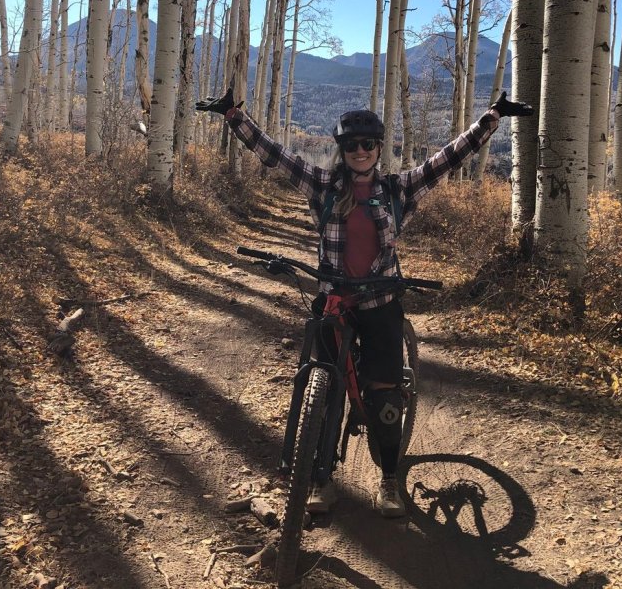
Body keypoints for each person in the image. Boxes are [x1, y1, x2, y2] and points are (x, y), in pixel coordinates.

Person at [196, 87, 532, 517]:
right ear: (341, 148)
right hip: (334, 300)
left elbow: (446, 160)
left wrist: (489, 121)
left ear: (378, 148)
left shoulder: (398, 189)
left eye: (368, 144)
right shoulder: (323, 184)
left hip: (381, 301)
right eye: (351, 144)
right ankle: (320, 480)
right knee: (324, 384)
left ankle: (389, 480)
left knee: (385, 397)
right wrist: (234, 116)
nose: (360, 151)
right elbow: (275, 155)